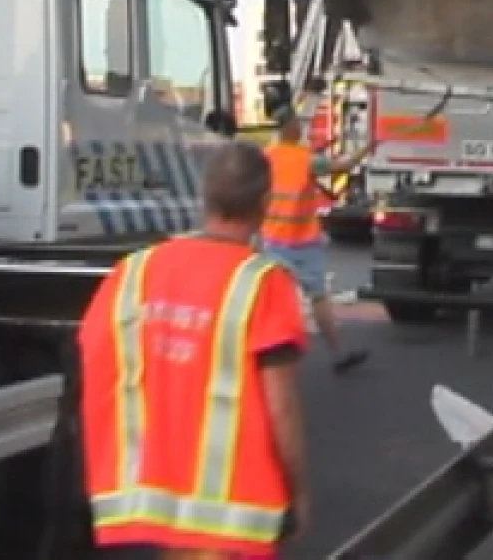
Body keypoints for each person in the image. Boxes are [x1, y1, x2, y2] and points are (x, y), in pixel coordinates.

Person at [78, 141, 311, 558]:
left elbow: (95, 359)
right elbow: (282, 407)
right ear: (264, 203)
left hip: (161, 499)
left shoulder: (134, 271)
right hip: (237, 511)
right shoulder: (265, 283)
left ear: (205, 197)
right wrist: (297, 490)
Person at [263, 106, 373, 372]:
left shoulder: (265, 158)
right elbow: (345, 166)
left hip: (273, 240)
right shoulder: (307, 159)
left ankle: (265, 355)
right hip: (304, 242)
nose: (302, 129)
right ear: (291, 128)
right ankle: (337, 355)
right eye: (299, 125)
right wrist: (367, 147)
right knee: (318, 298)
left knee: (271, 300)